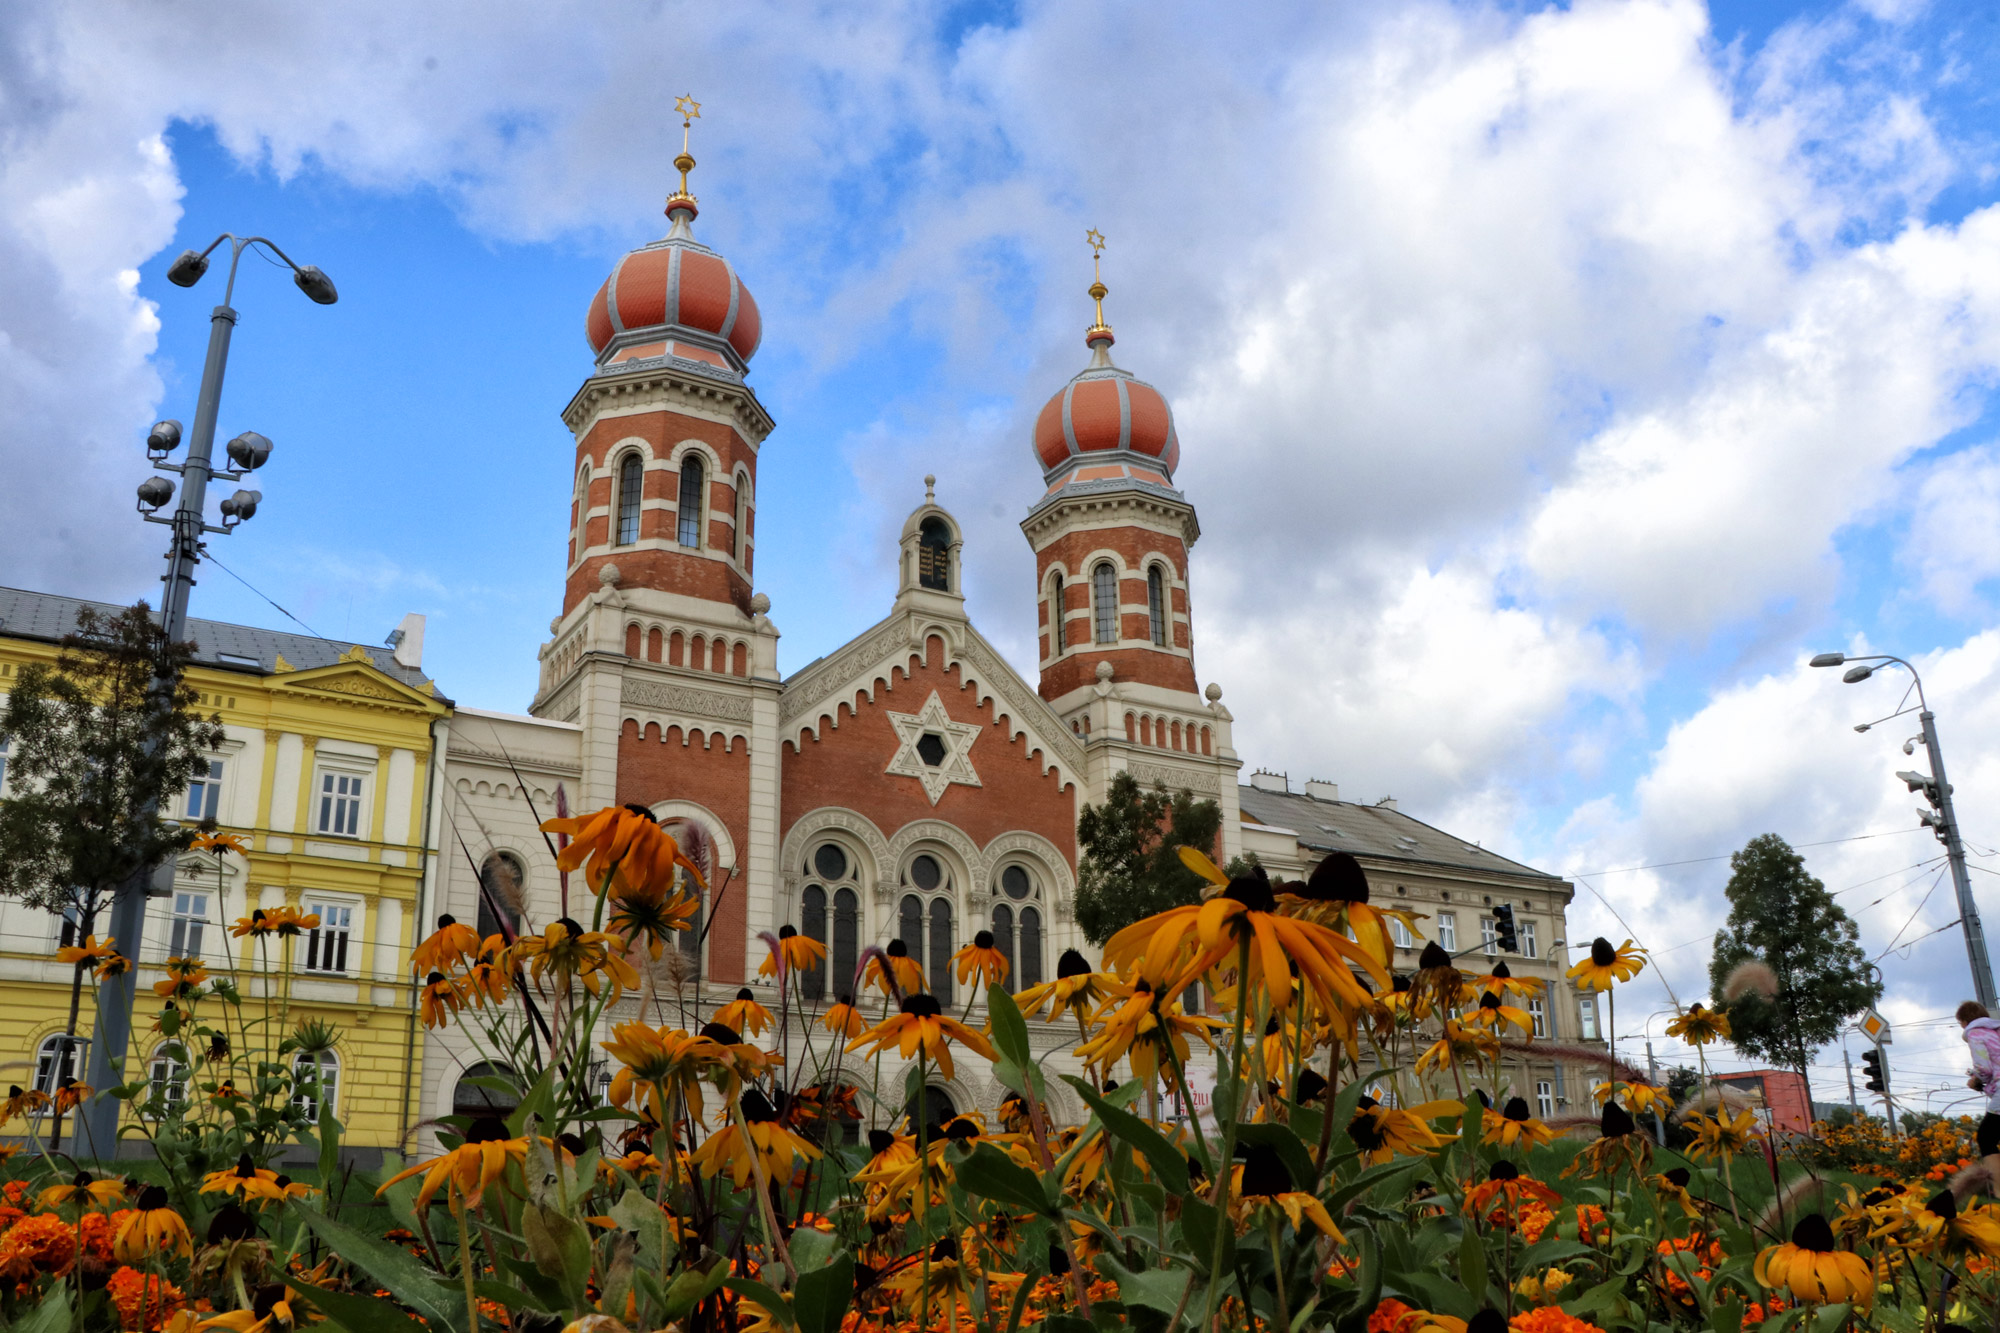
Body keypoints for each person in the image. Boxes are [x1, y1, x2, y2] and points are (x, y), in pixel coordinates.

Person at [1959, 1000, 2000, 1194]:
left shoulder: (1975, 1033)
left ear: (1965, 1021)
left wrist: (1975, 1080)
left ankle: (1999, 1190)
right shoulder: (1996, 1030)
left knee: (1986, 1137)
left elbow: (1984, 1068)